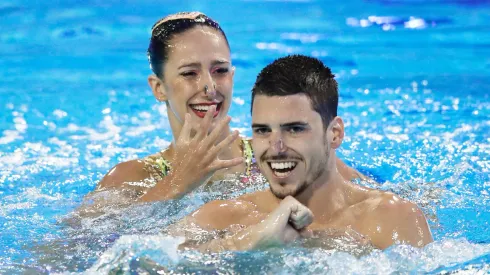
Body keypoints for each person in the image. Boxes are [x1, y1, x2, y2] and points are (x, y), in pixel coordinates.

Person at [85, 12, 366, 205]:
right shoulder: (132, 179)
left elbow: (370, 196)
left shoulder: (277, 155)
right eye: (189, 73)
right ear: (159, 88)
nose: (209, 87)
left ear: (232, 77)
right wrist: (178, 182)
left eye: (219, 70)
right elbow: (67, 252)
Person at [170, 55, 433, 251]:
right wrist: (247, 241)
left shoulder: (388, 218)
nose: (275, 148)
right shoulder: (227, 216)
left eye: (294, 129)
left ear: (334, 134)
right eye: (262, 131)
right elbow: (141, 260)